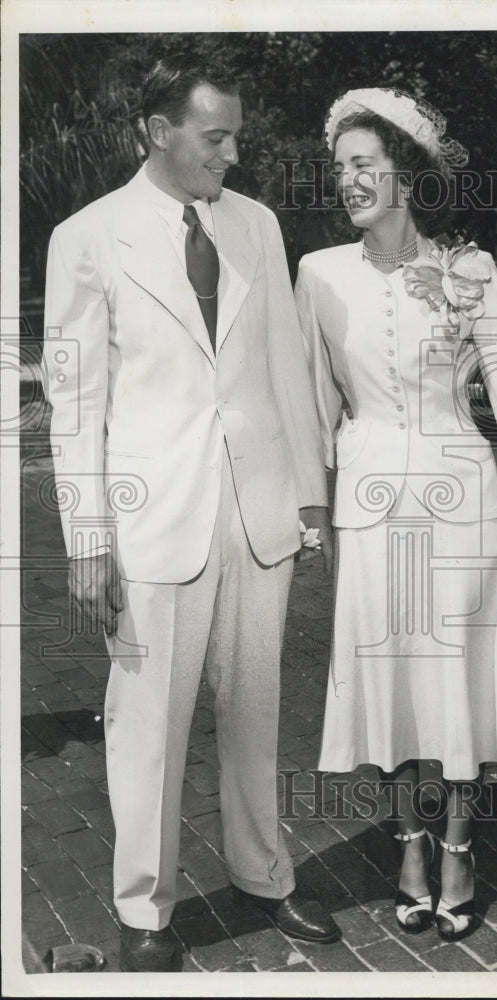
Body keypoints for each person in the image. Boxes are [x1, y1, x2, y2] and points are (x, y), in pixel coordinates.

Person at [43, 54, 340, 972]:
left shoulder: (256, 225)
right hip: (148, 521)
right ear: (156, 132)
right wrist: (89, 541)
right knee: (147, 720)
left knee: (256, 708)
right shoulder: (87, 237)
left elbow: (287, 366)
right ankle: (144, 910)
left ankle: (265, 877)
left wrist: (309, 496)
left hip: (256, 513)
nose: (233, 154)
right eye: (217, 137)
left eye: (237, 136)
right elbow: (75, 405)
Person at [294, 88, 497, 942]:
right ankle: (410, 845)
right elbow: (313, 404)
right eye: (340, 167)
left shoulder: (470, 271)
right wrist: (310, 510)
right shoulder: (318, 274)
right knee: (391, 679)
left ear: (407, 172)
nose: (348, 180)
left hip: (459, 490)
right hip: (367, 496)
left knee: (458, 677)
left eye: (365, 163)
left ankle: (462, 845)